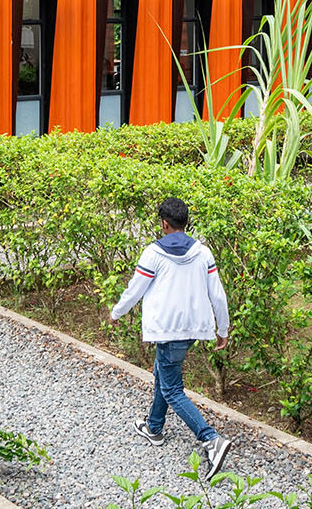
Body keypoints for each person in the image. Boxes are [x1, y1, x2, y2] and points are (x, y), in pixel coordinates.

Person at [110, 197, 233, 479]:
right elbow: (218, 295)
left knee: (172, 389)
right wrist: (222, 329)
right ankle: (154, 428)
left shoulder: (153, 254)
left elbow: (134, 290)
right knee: (162, 374)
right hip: (193, 329)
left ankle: (210, 439)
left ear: (164, 224)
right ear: (185, 222)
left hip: (166, 330)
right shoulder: (203, 253)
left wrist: (116, 314)